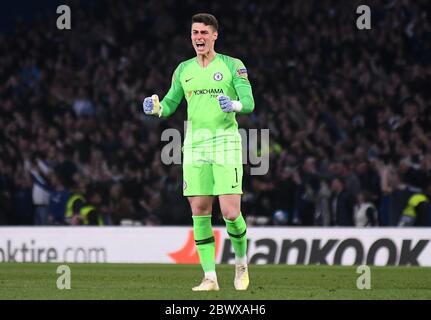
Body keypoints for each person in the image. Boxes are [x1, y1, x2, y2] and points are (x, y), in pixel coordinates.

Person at [142, 13, 254, 291]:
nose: (199, 38)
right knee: (200, 211)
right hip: (195, 145)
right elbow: (170, 102)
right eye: (195, 33)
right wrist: (157, 108)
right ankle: (210, 278)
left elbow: (249, 102)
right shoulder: (183, 70)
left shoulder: (233, 65)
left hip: (226, 142)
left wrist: (235, 106)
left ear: (215, 35)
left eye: (204, 32)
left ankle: (241, 264)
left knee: (230, 212)